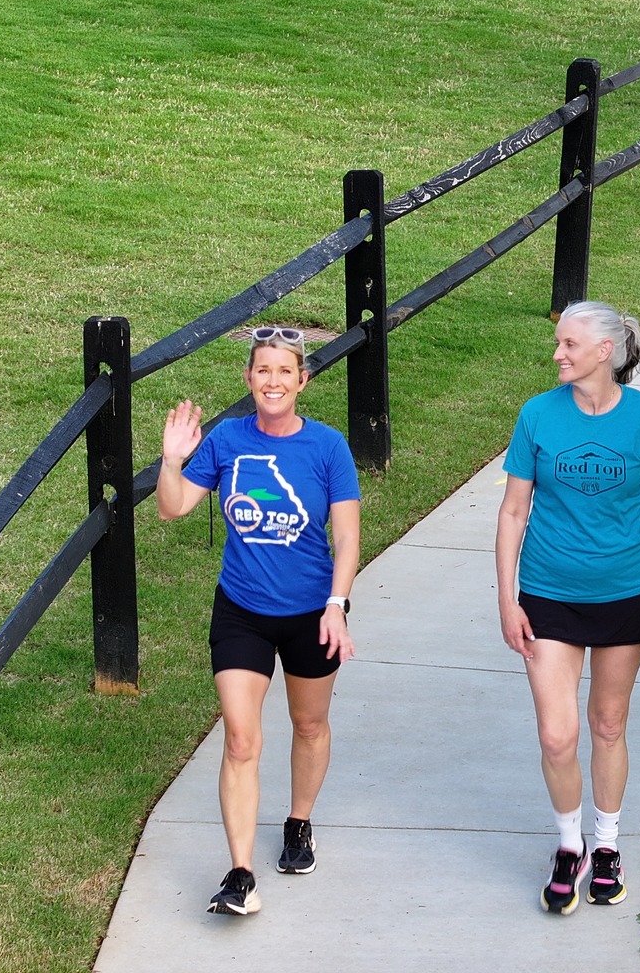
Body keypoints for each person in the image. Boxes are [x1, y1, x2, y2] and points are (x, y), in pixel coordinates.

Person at [156, 327, 361, 918]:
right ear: (248, 380)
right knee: (241, 738)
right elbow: (173, 508)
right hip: (241, 611)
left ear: (303, 380)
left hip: (312, 613)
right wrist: (173, 461)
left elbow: (345, 536)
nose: (273, 381)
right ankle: (240, 872)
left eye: (284, 371)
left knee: (309, 722)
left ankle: (298, 823)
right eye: (262, 370)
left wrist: (337, 605)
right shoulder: (226, 440)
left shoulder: (327, 447)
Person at [495, 301, 640, 915]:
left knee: (607, 724)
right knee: (558, 734)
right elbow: (513, 512)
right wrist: (506, 598)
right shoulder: (537, 416)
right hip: (548, 594)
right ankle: (569, 844)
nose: (558, 353)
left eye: (569, 344)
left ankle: (606, 847)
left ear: (605, 351)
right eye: (559, 343)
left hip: (629, 594)